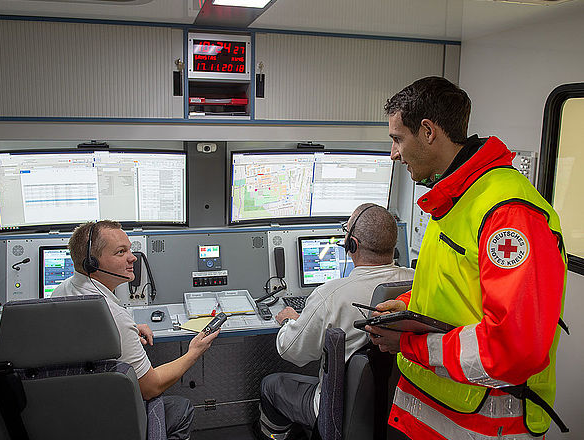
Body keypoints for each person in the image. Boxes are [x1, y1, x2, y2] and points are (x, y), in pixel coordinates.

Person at [366, 76, 568, 439]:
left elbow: (513, 349)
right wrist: (406, 308)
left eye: (397, 139)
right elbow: (457, 289)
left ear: (428, 131)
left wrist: (410, 343)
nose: (393, 154)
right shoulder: (454, 199)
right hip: (428, 415)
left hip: (481, 425)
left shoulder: (507, 214)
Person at [258, 204, 415, 439]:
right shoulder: (417, 284)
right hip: (401, 408)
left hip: (336, 409)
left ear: (352, 244)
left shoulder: (331, 295)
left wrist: (290, 322)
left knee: (271, 384)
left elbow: (292, 351)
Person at [52, 220, 219, 440]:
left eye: (130, 249)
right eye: (121, 252)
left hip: (70, 412)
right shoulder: (114, 317)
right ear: (92, 263)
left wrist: (130, 326)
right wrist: (193, 352)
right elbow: (151, 387)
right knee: (181, 408)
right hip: (109, 419)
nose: (132, 258)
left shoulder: (63, 289)